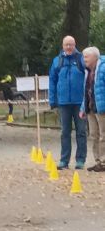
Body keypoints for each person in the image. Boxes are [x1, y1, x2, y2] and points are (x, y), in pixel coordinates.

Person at [48, 35, 87, 170]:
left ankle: (80, 160)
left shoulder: (82, 59)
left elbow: (88, 79)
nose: (69, 47)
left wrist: (87, 100)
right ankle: (64, 160)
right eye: (66, 45)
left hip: (80, 103)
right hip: (63, 103)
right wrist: (52, 100)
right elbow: (52, 81)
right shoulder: (57, 61)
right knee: (65, 132)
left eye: (71, 44)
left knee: (81, 132)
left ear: (75, 45)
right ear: (63, 46)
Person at [80, 46, 105, 172]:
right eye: (83, 57)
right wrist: (82, 108)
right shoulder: (87, 71)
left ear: (95, 57)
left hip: (102, 107)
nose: (84, 59)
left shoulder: (103, 68)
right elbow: (86, 91)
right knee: (94, 135)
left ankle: (104, 162)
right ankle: (98, 161)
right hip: (90, 107)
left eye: (86, 57)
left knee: (103, 135)